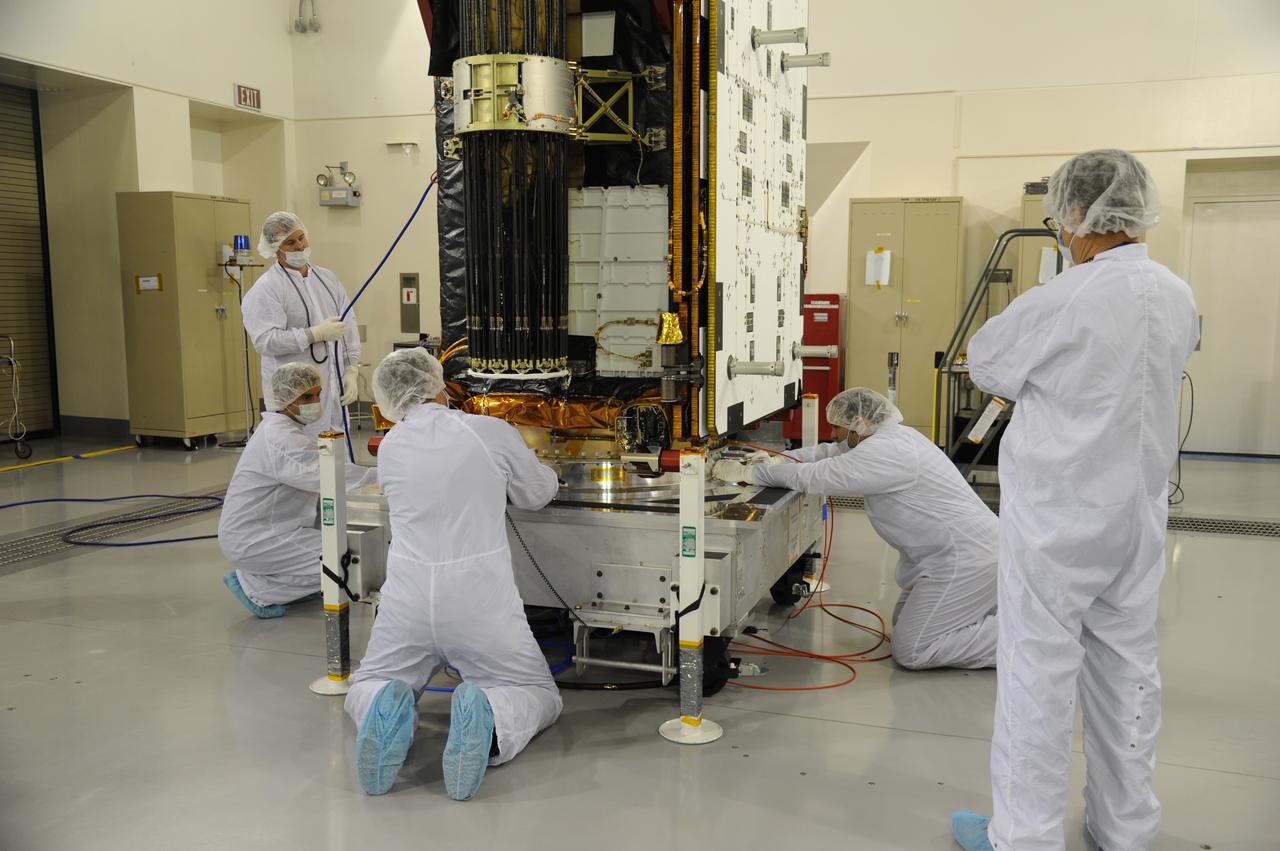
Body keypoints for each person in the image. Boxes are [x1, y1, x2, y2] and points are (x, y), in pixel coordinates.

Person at [950, 150, 1200, 851]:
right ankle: (1124, 825)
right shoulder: (1176, 292)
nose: (1060, 226)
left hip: (1059, 522)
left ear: (1079, 215)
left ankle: (1023, 837)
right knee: (1127, 669)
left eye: (1063, 213)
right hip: (1138, 520)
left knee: (1039, 671)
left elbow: (986, 359)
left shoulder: (1065, 296)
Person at [345, 348, 562, 801]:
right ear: (438, 385)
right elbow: (535, 496)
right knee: (535, 691)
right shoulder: (488, 431)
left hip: (406, 598)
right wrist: (549, 471)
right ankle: (489, 712)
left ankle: (388, 709)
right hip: (478, 599)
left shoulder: (390, 447)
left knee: (369, 681)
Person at [714, 388, 998, 670]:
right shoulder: (891, 436)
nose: (834, 434)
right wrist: (778, 459)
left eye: (837, 427)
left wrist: (749, 473)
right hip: (949, 557)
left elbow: (818, 474)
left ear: (860, 422)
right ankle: (1005, 615)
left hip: (966, 560)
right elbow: (827, 452)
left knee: (914, 650)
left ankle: (1024, 640)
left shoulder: (888, 452)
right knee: (903, 627)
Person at [218, 362, 376, 618]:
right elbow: (330, 476)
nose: (315, 401)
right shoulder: (281, 439)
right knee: (351, 563)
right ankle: (256, 587)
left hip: (276, 528)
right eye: (306, 397)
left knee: (344, 554)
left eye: (317, 394)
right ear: (284, 398)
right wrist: (387, 477)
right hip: (257, 538)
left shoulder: (285, 428)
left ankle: (279, 577)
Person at [242, 211, 361, 437]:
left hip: (331, 388)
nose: (299, 246)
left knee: (336, 454)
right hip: (294, 396)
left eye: (301, 238)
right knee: (302, 454)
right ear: (275, 248)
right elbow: (265, 341)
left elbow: (349, 325)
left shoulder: (327, 279)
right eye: (290, 242)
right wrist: (313, 334)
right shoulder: (267, 288)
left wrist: (351, 368)